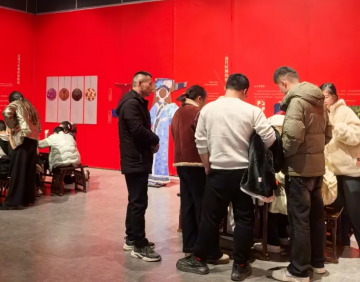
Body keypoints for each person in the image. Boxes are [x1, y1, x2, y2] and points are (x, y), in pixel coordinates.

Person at [177, 74, 276, 281]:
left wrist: (207, 165)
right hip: (243, 173)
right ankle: (240, 265)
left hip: (217, 171)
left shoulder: (208, 109)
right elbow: (269, 137)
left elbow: (200, 141)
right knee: (244, 219)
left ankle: (198, 259)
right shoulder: (252, 110)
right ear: (245, 91)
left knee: (210, 218)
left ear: (226, 87)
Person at [269, 67, 330, 282]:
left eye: (279, 87)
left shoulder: (296, 101)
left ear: (284, 83)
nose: (280, 91)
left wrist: (283, 157)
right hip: (317, 168)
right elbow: (328, 134)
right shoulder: (319, 100)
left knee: (299, 220)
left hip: (299, 170)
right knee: (316, 218)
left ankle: (298, 271)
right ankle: (317, 263)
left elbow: (292, 138)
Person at [320, 83, 360, 261]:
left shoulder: (345, 111)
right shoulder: (321, 113)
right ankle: (341, 239)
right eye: (321, 97)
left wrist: (337, 127)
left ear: (334, 97)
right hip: (330, 170)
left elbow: (358, 135)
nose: (324, 100)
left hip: (350, 169)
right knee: (336, 207)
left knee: (356, 209)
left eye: (326, 97)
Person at [172, 85, 229, 264]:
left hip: (180, 164)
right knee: (204, 208)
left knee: (187, 206)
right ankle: (209, 251)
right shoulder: (198, 113)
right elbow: (205, 138)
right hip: (198, 164)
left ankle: (190, 246)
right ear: (199, 99)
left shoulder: (177, 112)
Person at [117, 71, 161, 262]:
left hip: (137, 158)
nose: (153, 87)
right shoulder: (132, 104)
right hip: (136, 159)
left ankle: (132, 238)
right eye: (150, 83)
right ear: (139, 83)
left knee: (135, 200)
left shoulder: (134, 102)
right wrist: (155, 138)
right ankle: (139, 246)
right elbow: (137, 130)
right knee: (139, 202)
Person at [0, 91, 42, 210]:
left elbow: (6, 112)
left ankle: (14, 201)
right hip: (32, 141)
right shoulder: (31, 107)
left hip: (21, 140)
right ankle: (27, 199)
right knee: (28, 172)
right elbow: (39, 125)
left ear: (12, 100)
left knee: (17, 171)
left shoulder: (16, 104)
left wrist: (13, 127)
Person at [266, 111, 290, 253]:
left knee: (273, 212)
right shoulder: (289, 143)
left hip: (277, 186)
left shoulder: (274, 144)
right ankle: (282, 236)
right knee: (280, 213)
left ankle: (273, 242)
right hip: (286, 186)